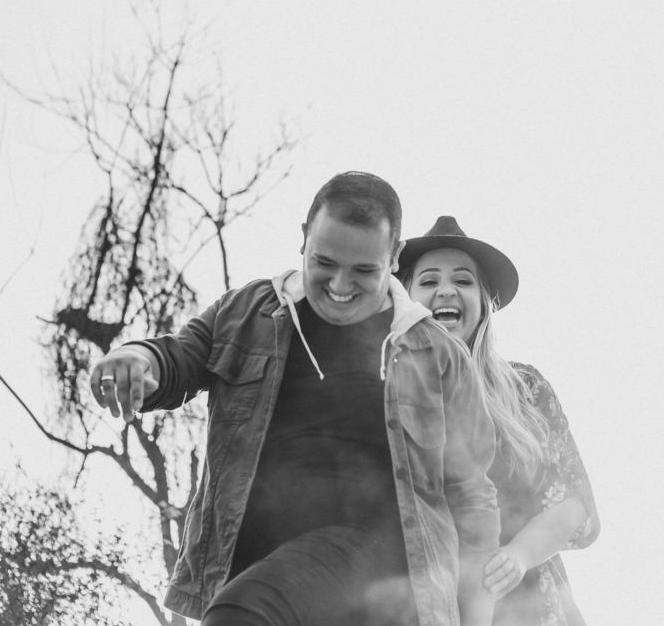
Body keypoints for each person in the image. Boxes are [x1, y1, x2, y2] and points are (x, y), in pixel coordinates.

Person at [90, 173, 499, 626]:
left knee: (239, 614)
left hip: (378, 572)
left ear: (395, 257)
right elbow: (181, 355)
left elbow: (473, 501)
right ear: (304, 238)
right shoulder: (250, 312)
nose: (340, 285)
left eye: (364, 270)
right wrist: (136, 358)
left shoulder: (437, 353)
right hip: (255, 564)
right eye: (325, 262)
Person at [399, 215, 600, 626]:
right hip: (426, 606)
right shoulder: (384, 394)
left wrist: (519, 554)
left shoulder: (526, 388)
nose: (446, 290)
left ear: (485, 300)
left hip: (531, 606)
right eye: (429, 280)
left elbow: (575, 502)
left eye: (463, 280)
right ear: (405, 298)